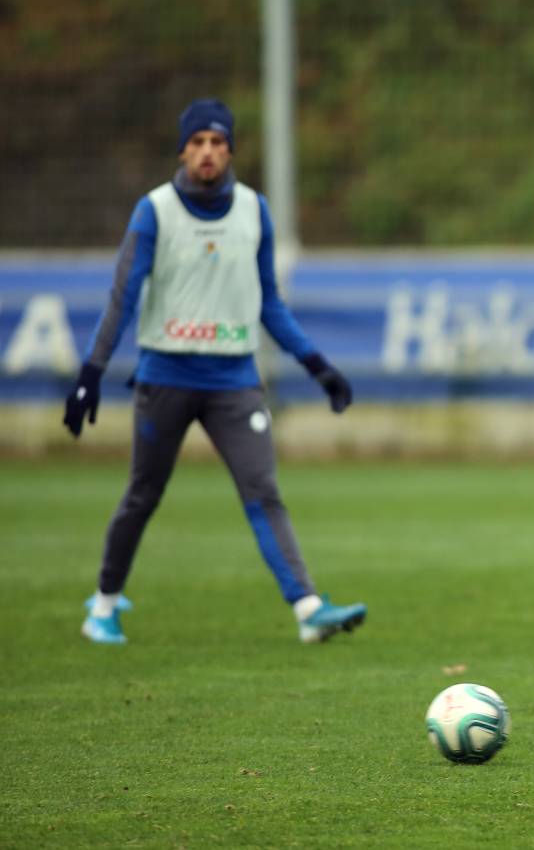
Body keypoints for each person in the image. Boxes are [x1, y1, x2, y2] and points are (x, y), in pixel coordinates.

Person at [64, 98, 367, 646]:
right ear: (183, 150)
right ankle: (103, 606)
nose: (208, 152)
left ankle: (308, 609)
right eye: (198, 142)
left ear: (230, 151)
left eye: (218, 142)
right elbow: (122, 299)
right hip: (165, 379)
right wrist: (91, 372)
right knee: (144, 493)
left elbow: (268, 304)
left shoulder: (254, 210)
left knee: (263, 491)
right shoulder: (154, 211)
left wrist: (318, 366)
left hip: (234, 382)